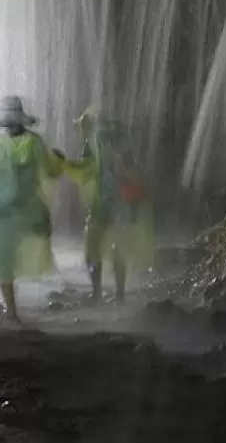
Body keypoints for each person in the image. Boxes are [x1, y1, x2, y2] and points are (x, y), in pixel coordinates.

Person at [0, 95, 66, 324]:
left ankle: (12, 310)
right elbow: (50, 170)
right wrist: (59, 161)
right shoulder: (34, 142)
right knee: (25, 248)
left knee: (4, 261)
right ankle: (13, 308)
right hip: (27, 210)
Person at [65, 107, 155, 304]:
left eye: (81, 127)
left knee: (94, 249)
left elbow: (85, 174)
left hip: (110, 204)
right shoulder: (102, 145)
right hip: (116, 204)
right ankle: (118, 294)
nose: (80, 131)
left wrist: (65, 166)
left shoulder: (93, 146)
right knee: (116, 249)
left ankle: (99, 292)